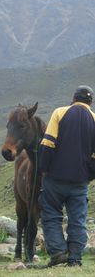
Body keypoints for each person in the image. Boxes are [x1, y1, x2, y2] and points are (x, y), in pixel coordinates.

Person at [39, 85, 95, 267]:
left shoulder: (60, 112)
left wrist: (44, 169)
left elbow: (48, 144)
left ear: (73, 98)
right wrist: (88, 176)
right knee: (77, 219)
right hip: (79, 182)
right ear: (91, 102)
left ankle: (58, 253)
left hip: (55, 178)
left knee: (51, 215)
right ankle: (75, 259)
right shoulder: (94, 119)